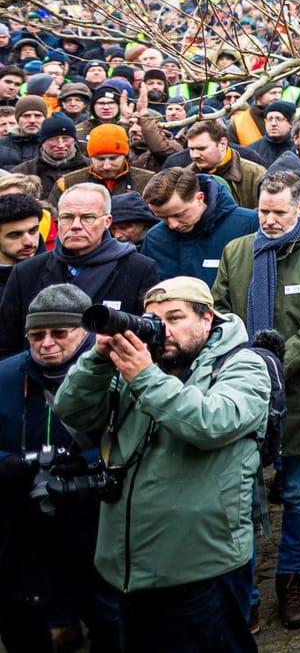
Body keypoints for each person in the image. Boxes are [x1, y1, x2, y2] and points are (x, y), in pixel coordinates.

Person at [53, 276, 272, 653]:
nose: (162, 329)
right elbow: (71, 410)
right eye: (152, 319)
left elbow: (211, 423)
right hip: (129, 566)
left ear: (208, 319)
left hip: (201, 563)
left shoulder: (243, 365)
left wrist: (144, 377)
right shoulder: (141, 366)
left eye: (175, 317)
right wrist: (97, 360)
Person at [210, 170, 300, 628]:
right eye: (262, 211)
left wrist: (267, 368)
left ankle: (292, 580)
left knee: (299, 494)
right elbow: (221, 316)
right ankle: (243, 589)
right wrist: (240, 370)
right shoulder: (237, 251)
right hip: (239, 396)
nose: (268, 220)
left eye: (278, 213)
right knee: (243, 497)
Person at [0, 286, 123, 653]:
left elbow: (135, 440)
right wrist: (9, 463)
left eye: (59, 334)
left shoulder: (115, 369)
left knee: (109, 614)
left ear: (85, 332)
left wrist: (84, 464)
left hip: (98, 516)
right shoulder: (6, 376)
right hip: (22, 519)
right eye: (36, 336)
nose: (47, 344)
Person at [0, 184, 161, 360]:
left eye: (87, 217)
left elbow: (148, 338)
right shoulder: (26, 272)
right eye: (67, 217)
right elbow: (7, 343)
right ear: (58, 221)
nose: (75, 226)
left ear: (107, 222)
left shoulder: (139, 269)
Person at [141, 167, 258, 284]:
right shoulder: (155, 239)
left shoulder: (248, 225)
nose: (172, 225)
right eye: (162, 217)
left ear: (199, 198)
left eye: (179, 214)